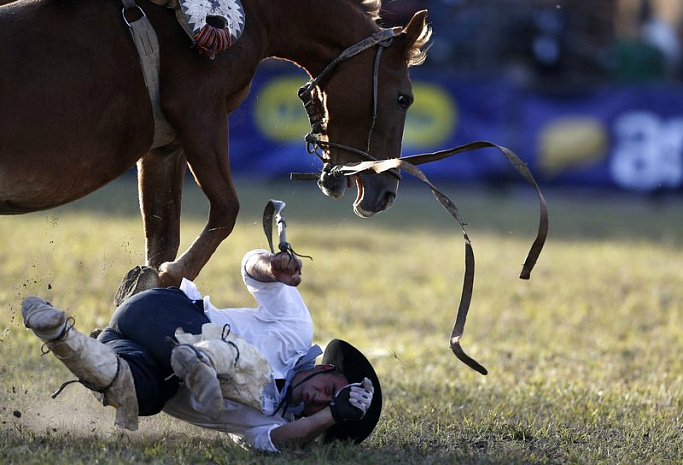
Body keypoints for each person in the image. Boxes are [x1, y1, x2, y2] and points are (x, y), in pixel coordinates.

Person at [21, 248, 381, 452]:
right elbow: (250, 269)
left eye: (326, 408)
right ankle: (197, 356)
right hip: (163, 314)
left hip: (137, 353)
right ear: (327, 369)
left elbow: (272, 443)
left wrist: (331, 416)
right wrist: (270, 267)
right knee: (251, 371)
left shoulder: (276, 423)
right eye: (330, 392)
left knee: (138, 396)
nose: (319, 401)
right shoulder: (296, 331)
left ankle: (59, 335)